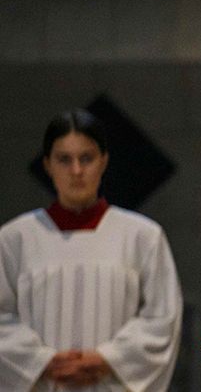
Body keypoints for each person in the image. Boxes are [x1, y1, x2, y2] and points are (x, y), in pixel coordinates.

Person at [0, 109, 183, 392]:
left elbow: (162, 318)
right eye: (64, 159)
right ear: (48, 165)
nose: (76, 170)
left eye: (86, 158)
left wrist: (108, 359)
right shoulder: (15, 239)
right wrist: (42, 361)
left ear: (103, 161)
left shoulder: (142, 236)